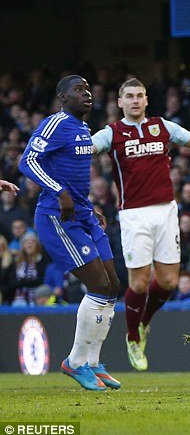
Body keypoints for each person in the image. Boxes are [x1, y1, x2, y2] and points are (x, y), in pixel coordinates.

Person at [90, 77, 190, 372]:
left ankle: (143, 323)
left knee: (169, 282)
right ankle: (133, 338)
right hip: (134, 215)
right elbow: (87, 148)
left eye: (140, 95)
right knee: (139, 282)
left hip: (166, 211)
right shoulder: (112, 133)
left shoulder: (162, 127)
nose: (135, 100)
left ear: (146, 100)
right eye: (129, 96)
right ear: (120, 102)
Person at [18, 75, 121, 391]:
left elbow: (75, 179)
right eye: (78, 89)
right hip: (56, 217)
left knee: (112, 286)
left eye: (88, 89)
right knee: (98, 285)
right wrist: (59, 191)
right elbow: (28, 161)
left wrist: (89, 207)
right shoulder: (56, 123)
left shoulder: (83, 128)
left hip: (82, 213)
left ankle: (93, 362)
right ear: (62, 97)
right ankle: (75, 362)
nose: (87, 94)